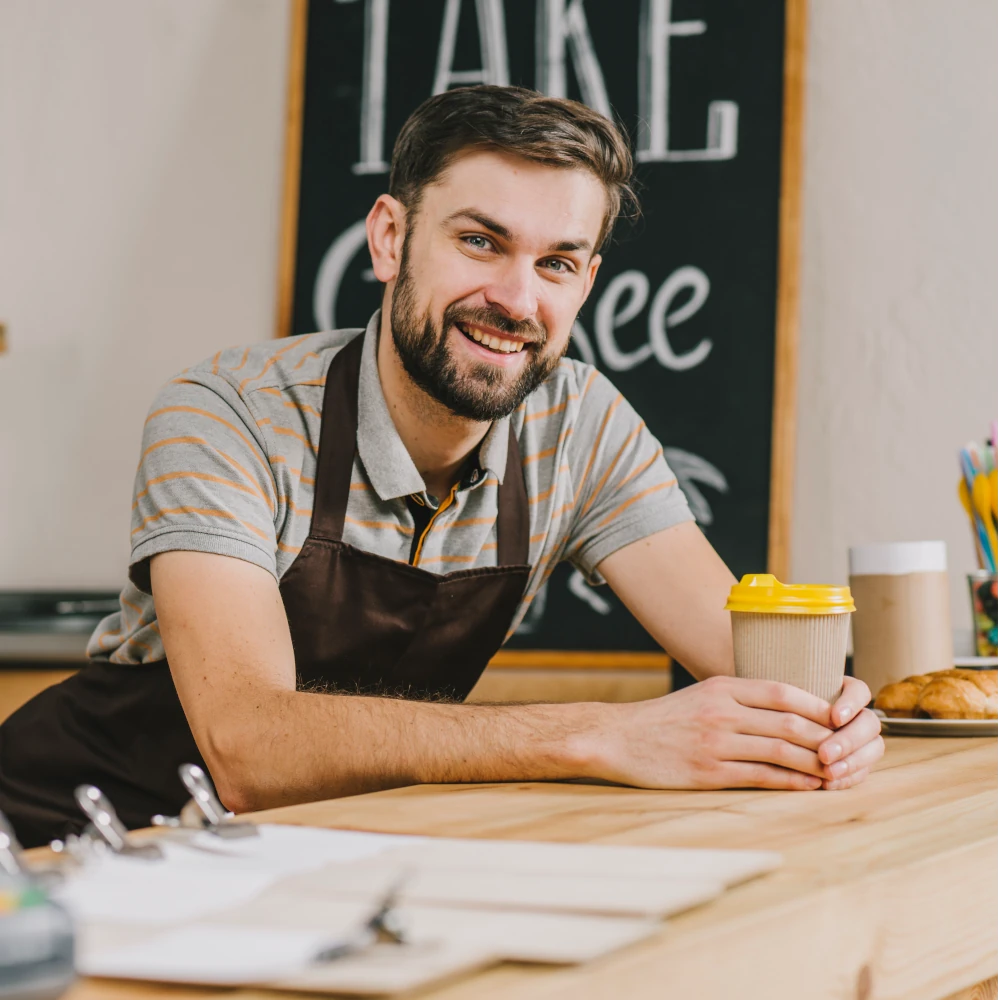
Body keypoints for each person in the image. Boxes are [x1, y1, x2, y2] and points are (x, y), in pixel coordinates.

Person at [0, 86, 882, 847]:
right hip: (74, 851)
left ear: (585, 283)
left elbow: (747, 665)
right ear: (390, 239)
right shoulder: (226, 414)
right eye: (480, 242)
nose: (515, 298)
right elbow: (248, 747)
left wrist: (831, 721)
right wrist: (600, 735)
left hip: (314, 857)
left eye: (557, 263)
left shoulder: (580, 425)